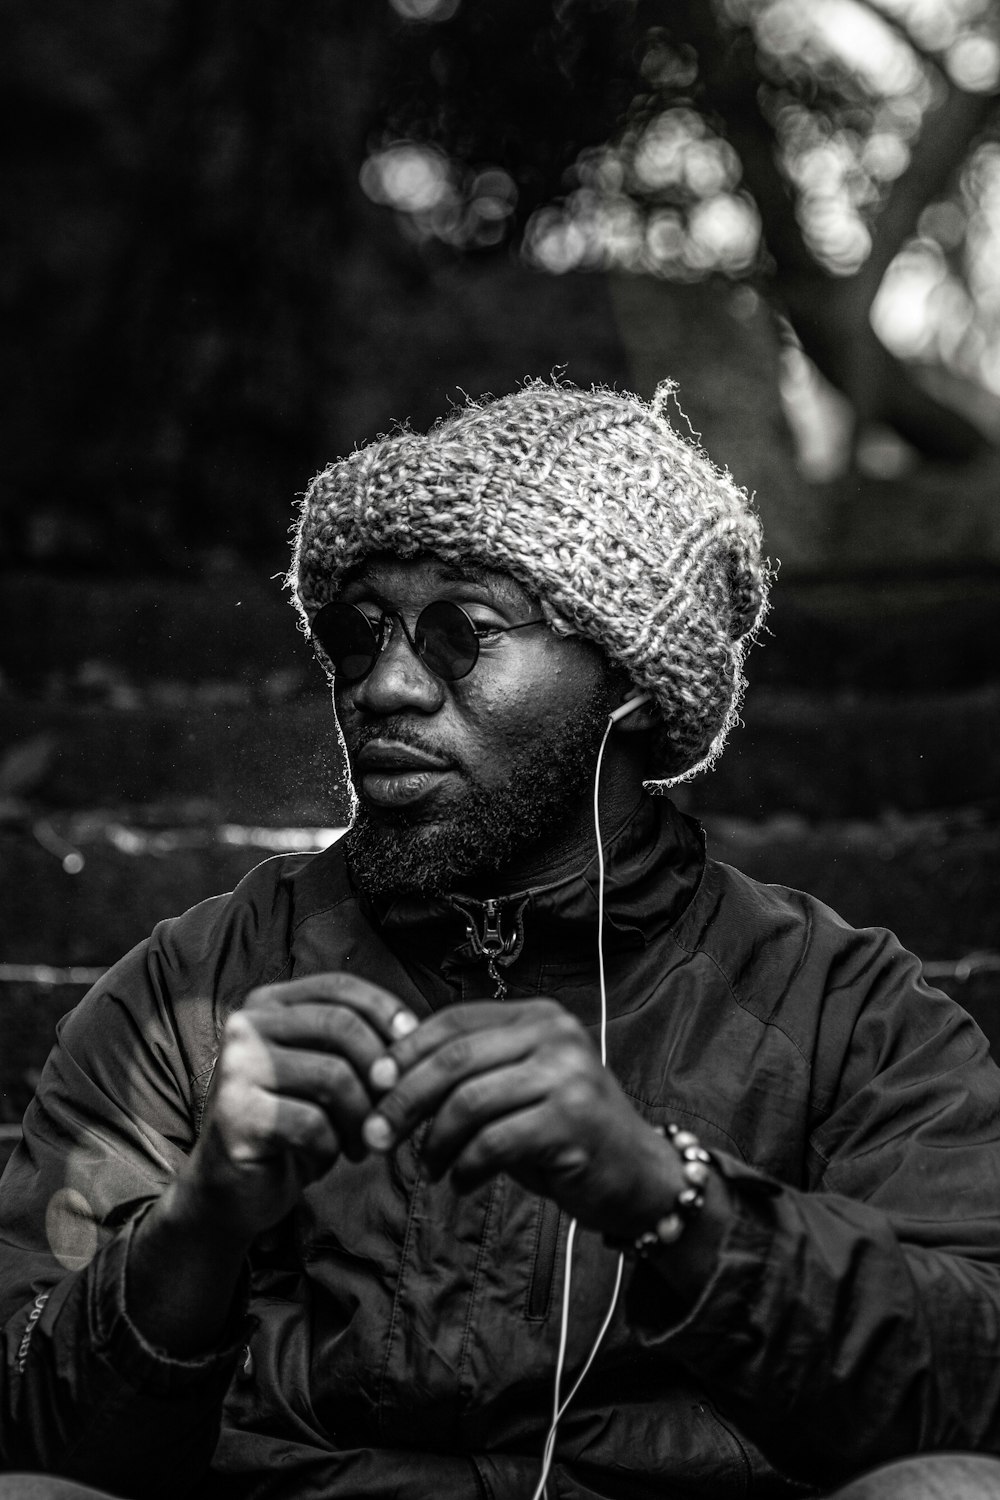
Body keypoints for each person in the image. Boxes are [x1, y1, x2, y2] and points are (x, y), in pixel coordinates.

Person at [2, 380, 1000, 1500]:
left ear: (628, 680)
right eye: (357, 629)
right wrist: (200, 1223)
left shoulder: (838, 1007)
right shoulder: (195, 991)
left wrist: (670, 1198)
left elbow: (970, 1375)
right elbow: (28, 1411)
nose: (382, 686)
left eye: (459, 632)